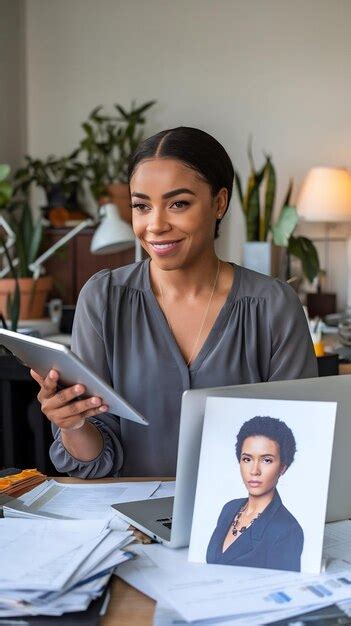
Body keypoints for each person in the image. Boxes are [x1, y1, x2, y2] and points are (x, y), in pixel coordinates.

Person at [31, 127, 317, 478]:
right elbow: (94, 460)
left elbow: (297, 448)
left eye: (178, 203)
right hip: (129, 526)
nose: (155, 225)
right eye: (141, 206)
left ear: (219, 203)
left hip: (244, 521)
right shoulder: (104, 297)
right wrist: (72, 425)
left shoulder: (273, 305)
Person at [206, 415, 304, 571]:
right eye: (247, 459)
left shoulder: (287, 530)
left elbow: (281, 590)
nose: (254, 471)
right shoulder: (229, 508)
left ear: (282, 468)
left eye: (266, 460)